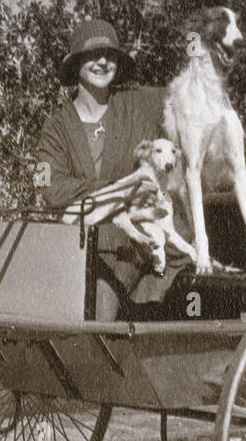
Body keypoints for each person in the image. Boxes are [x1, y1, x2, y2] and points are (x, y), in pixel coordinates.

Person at [34, 18, 194, 319]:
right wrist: (116, 187)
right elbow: (48, 187)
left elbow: (185, 100)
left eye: (110, 55)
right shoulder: (55, 127)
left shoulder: (137, 106)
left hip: (133, 241)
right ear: (76, 64)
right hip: (80, 244)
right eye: (93, 55)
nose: (102, 62)